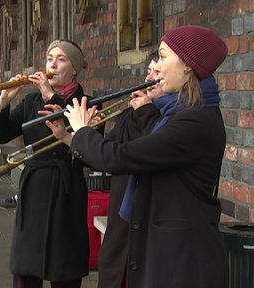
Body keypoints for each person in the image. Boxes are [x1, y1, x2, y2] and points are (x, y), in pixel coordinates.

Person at [45, 25, 229, 288]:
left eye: (164, 57)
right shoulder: (176, 113)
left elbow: (120, 158)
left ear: (188, 65)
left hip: (185, 261)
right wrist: (71, 136)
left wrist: (83, 130)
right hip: (168, 254)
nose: (157, 68)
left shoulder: (194, 121)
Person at [0, 39, 94, 288]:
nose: (53, 65)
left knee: (64, 266)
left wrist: (51, 95)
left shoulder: (87, 102)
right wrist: (3, 101)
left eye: (61, 59)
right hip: (35, 184)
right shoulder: (31, 102)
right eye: (49, 59)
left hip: (67, 187)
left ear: (74, 68)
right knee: (27, 265)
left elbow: (89, 142)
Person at [96, 50, 164, 288]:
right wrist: (80, 132)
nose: (149, 78)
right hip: (120, 217)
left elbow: (149, 150)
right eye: (148, 72)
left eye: (157, 72)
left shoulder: (170, 119)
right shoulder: (129, 115)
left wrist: (146, 110)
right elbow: (105, 155)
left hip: (147, 222)